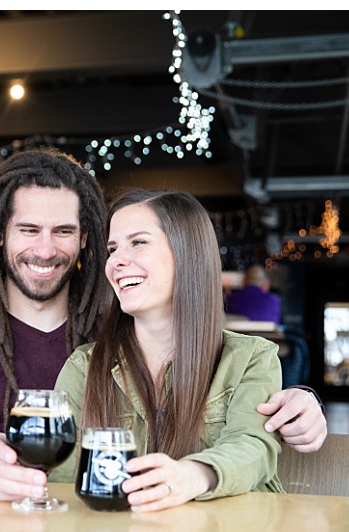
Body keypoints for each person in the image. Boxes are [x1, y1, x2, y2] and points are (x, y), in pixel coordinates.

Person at [0, 148, 327, 502]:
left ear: (83, 239)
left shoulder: (122, 327)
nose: (46, 247)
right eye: (29, 229)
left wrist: (300, 402)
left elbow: (248, 432)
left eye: (63, 231)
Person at [49, 189, 282, 511]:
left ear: (188, 253)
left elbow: (253, 446)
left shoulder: (250, 358)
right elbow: (60, 482)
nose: (116, 260)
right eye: (113, 248)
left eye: (138, 242)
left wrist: (194, 474)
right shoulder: (85, 366)